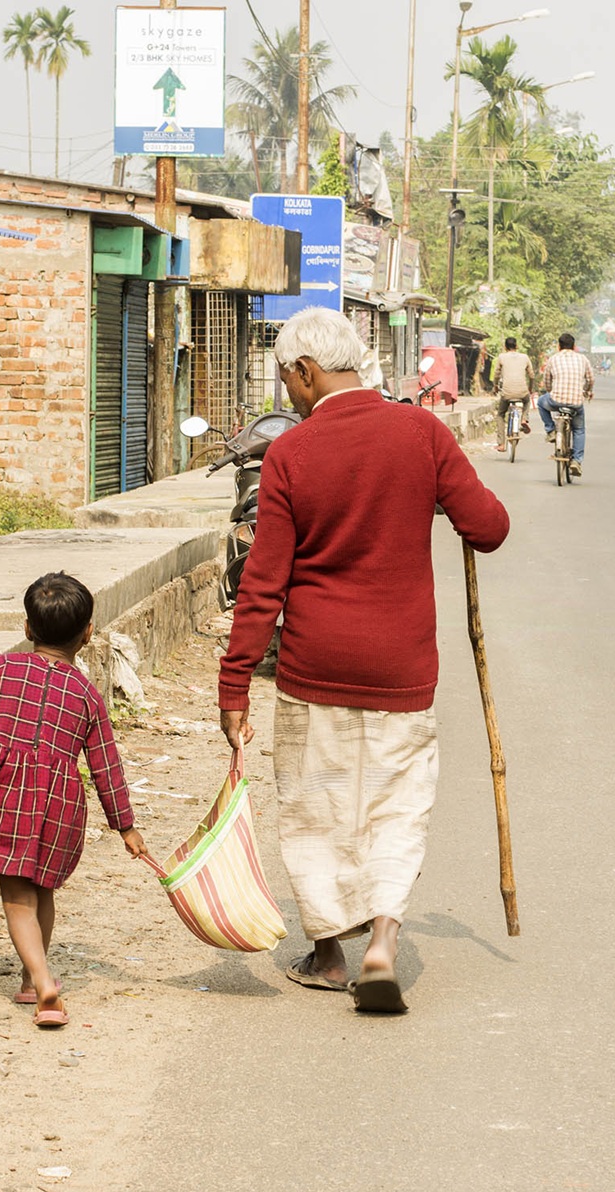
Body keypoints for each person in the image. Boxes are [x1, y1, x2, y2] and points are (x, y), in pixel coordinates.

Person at [218, 307, 509, 1013]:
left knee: (317, 808)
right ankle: (383, 939)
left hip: (315, 666)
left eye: (287, 381)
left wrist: (234, 686)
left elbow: (264, 582)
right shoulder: (423, 433)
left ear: (306, 372)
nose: (288, 394)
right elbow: (490, 527)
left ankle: (326, 953)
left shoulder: (290, 455)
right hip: (402, 669)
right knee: (395, 804)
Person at [0, 573, 147, 1030]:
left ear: (26, 627)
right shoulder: (88, 696)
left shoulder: (2, 669)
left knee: (16, 894)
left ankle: (43, 985)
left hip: (6, 800)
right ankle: (27, 976)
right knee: (42, 888)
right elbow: (105, 766)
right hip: (61, 804)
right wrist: (126, 827)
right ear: (88, 633)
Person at [538, 332, 596, 477]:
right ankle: (576, 461)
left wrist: (551, 391)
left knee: (540, 402)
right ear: (574, 346)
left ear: (559, 346)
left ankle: (551, 430)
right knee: (579, 430)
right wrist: (586, 391)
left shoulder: (553, 358)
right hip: (576, 403)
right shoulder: (582, 359)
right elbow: (590, 379)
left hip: (556, 400)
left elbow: (546, 380)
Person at [490, 335, 533, 451]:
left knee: (500, 415)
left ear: (505, 347)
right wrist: (530, 388)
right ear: (517, 346)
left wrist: (495, 387)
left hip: (507, 393)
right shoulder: (525, 357)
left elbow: (496, 375)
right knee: (527, 402)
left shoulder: (501, 357)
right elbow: (532, 375)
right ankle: (524, 419)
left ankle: (501, 444)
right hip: (522, 392)